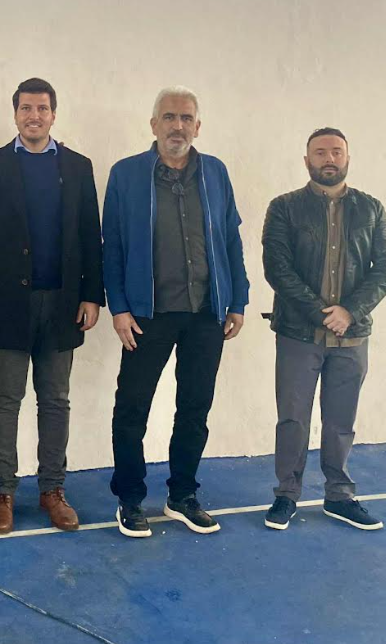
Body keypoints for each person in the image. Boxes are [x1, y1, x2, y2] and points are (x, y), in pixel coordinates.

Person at [102, 86, 249, 538]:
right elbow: (112, 246)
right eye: (169, 117)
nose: (177, 126)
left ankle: (182, 495)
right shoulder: (127, 174)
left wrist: (238, 299)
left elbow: (230, 238)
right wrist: (119, 308)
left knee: (194, 408)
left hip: (206, 312)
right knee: (132, 407)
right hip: (148, 314)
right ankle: (130, 499)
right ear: (154, 125)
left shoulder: (215, 172)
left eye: (186, 118)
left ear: (197, 127)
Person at [0, 78, 104, 535]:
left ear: (53, 115)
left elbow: (90, 235)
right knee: (4, 400)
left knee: (55, 400)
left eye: (42, 108)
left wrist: (92, 294)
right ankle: (2, 493)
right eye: (26, 108)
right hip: (5, 304)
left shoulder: (78, 167)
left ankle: (52, 490)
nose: (34, 116)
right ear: (15, 114)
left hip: (62, 304)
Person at [262, 127, 386, 531]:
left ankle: (339, 496)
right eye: (320, 152)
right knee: (292, 418)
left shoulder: (371, 209)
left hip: (351, 337)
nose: (329, 159)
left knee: (341, 420)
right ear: (307, 161)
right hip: (298, 334)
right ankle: (287, 494)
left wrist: (350, 312)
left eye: (336, 152)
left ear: (348, 158)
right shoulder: (284, 208)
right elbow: (278, 269)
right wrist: (323, 313)